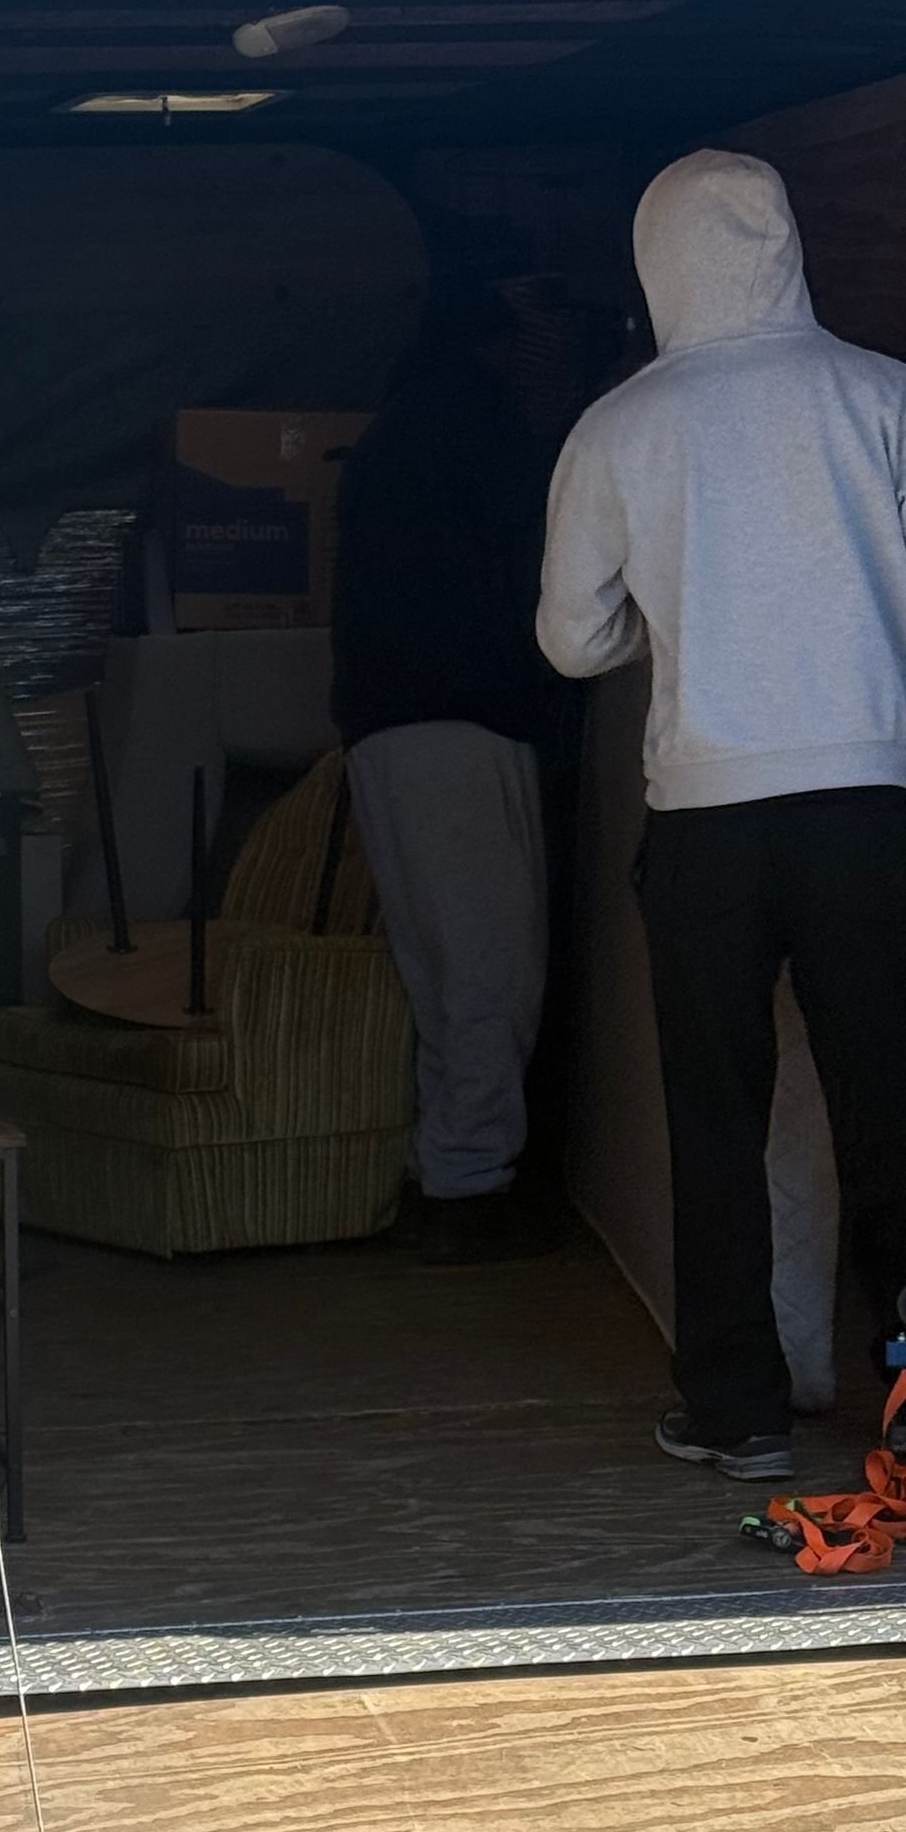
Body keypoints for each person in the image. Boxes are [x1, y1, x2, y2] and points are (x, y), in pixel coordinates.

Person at [540, 148, 906, 1483]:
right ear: (788, 243)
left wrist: (667, 606)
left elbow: (572, 641)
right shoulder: (882, 398)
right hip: (873, 806)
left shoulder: (622, 426)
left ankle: (737, 1405)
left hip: (706, 816)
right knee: (890, 1109)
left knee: (717, 1115)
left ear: (656, 262)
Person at [333, 274, 589, 1264]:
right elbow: (541, 577)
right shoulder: (476, 426)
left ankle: (445, 1171)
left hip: (386, 724)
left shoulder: (402, 422)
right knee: (490, 968)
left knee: (441, 972)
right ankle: (468, 1189)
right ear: (512, 342)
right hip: (459, 722)